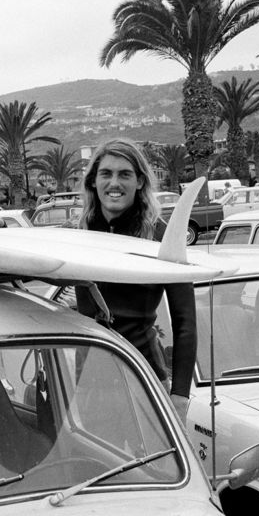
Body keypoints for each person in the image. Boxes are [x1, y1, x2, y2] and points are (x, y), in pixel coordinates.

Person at [74, 139, 197, 421]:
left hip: (144, 376)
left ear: (140, 181)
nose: (114, 183)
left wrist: (179, 395)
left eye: (124, 174)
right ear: (93, 181)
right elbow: (31, 258)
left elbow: (185, 321)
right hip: (89, 381)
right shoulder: (78, 232)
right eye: (106, 173)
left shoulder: (162, 236)